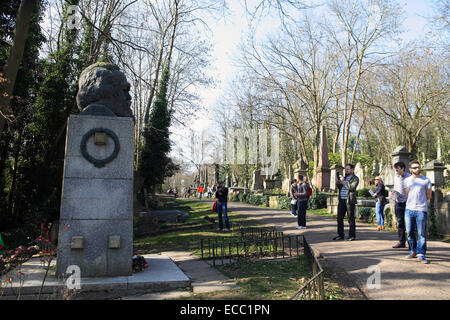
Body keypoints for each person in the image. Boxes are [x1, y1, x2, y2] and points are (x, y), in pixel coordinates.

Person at [403, 160, 432, 264]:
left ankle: (421, 254)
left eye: (418, 167)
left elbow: (429, 196)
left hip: (421, 210)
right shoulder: (406, 181)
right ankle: (413, 250)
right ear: (410, 169)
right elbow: (407, 194)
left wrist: (423, 205)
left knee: (421, 233)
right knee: (409, 232)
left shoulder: (426, 180)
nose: (417, 169)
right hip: (409, 209)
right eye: (415, 168)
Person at [333, 164, 359, 241]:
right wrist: (338, 183)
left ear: (352, 170)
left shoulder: (355, 178)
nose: (346, 170)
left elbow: (351, 187)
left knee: (351, 219)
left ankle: (352, 236)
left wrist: (343, 181)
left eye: (348, 169)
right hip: (341, 200)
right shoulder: (345, 177)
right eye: (346, 169)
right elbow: (341, 187)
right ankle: (340, 235)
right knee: (339, 218)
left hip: (349, 201)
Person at [391, 161, 411, 249]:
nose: (396, 171)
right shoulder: (396, 177)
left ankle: (411, 243)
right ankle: (401, 241)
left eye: (397, 169)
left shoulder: (409, 177)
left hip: (408, 203)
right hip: (398, 202)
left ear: (403, 168)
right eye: (395, 169)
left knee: (409, 223)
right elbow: (396, 188)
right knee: (400, 223)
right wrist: (393, 193)